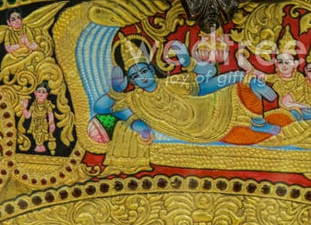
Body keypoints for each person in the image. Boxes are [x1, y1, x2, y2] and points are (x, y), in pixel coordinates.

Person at [90, 35, 280, 147]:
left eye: (144, 71)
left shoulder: (170, 83)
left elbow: (209, 75)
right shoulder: (134, 100)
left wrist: (190, 63)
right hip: (197, 130)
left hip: (211, 112)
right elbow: (100, 108)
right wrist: (115, 92)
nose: (143, 77)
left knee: (239, 80)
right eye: (136, 75)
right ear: (132, 81)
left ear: (151, 70)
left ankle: (258, 122)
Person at [20, 83, 56, 153]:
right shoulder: (34, 104)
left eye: (43, 92)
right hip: (34, 124)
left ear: (47, 94)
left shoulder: (47, 104)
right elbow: (28, 116)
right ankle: (38, 146)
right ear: (35, 93)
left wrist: (52, 124)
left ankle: (41, 145)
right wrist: (24, 107)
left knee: (42, 135)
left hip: (43, 124)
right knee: (36, 135)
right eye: (39, 92)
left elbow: (50, 114)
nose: (41, 94)